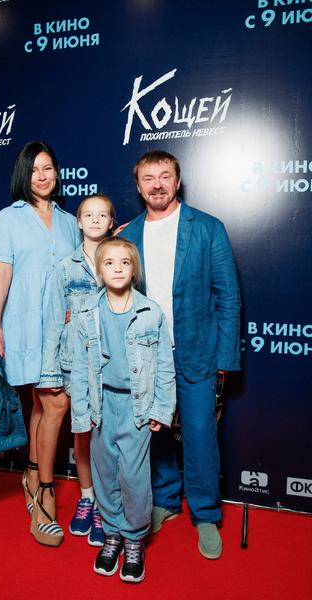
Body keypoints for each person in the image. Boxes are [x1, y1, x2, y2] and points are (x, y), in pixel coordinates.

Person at [122, 149, 241, 559]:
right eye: (148, 178)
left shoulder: (207, 228)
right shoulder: (128, 234)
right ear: (139, 187)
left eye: (164, 176)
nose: (157, 184)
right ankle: (166, 500)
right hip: (148, 355)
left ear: (177, 181)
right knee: (155, 433)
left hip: (197, 352)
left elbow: (228, 297)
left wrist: (225, 358)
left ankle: (205, 514)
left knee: (201, 435)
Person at [0, 141, 81, 547]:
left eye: (48, 168)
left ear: (57, 173)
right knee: (52, 403)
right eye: (35, 169)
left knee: (45, 404)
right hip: (24, 324)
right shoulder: (8, 218)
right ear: (23, 174)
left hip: (61, 329)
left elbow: (80, 269)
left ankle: (30, 474)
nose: (42, 176)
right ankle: (44, 492)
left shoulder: (69, 222)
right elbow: (2, 275)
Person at [70, 237, 176, 583]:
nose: (117, 269)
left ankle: (134, 539)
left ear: (134, 270)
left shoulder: (151, 313)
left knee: (133, 476)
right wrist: (81, 414)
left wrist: (161, 408)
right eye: (109, 263)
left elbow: (164, 367)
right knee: (105, 473)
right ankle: (112, 533)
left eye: (125, 263)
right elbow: (79, 369)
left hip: (137, 407)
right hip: (101, 406)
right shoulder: (87, 313)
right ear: (99, 271)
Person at [40, 194, 116, 547]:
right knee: (83, 434)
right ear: (79, 222)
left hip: (112, 365)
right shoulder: (65, 268)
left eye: (103, 215)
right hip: (75, 365)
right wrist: (51, 372)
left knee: (107, 437)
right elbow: (54, 321)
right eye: (89, 214)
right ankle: (87, 498)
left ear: (111, 222)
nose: (95, 220)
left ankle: (104, 505)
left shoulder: (120, 260)